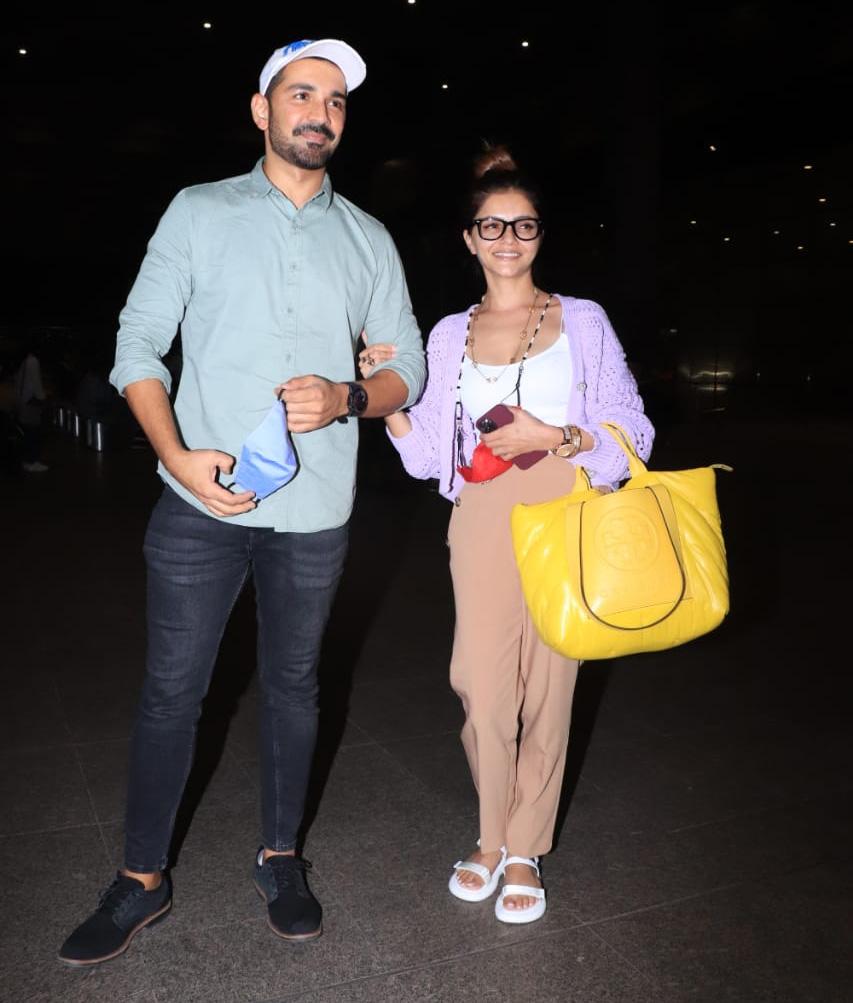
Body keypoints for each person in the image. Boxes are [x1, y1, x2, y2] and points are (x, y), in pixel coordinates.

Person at [58, 38, 425, 966]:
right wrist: (176, 455)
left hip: (317, 509)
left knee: (296, 685)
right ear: (260, 109)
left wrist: (348, 395)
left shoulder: (368, 238)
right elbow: (137, 343)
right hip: (201, 502)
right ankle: (142, 879)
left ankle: (280, 856)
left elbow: (406, 367)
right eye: (301, 94)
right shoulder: (200, 211)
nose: (320, 113)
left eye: (336, 101)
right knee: (172, 691)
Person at [359, 146, 653, 925]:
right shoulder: (448, 334)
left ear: (539, 234)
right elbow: (429, 456)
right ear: (468, 238)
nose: (507, 238)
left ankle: (520, 845)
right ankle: (489, 830)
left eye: (522, 224)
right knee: (479, 683)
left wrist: (555, 438)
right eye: (491, 225)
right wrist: (389, 399)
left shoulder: (580, 319)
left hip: (565, 505)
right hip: (481, 515)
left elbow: (633, 431)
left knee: (550, 684)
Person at [13, 337, 49, 472]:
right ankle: (32, 461)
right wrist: (43, 398)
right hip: (31, 402)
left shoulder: (25, 361)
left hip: (23, 402)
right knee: (33, 433)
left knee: (27, 433)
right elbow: (36, 383)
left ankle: (27, 461)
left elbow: (19, 383)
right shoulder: (33, 361)